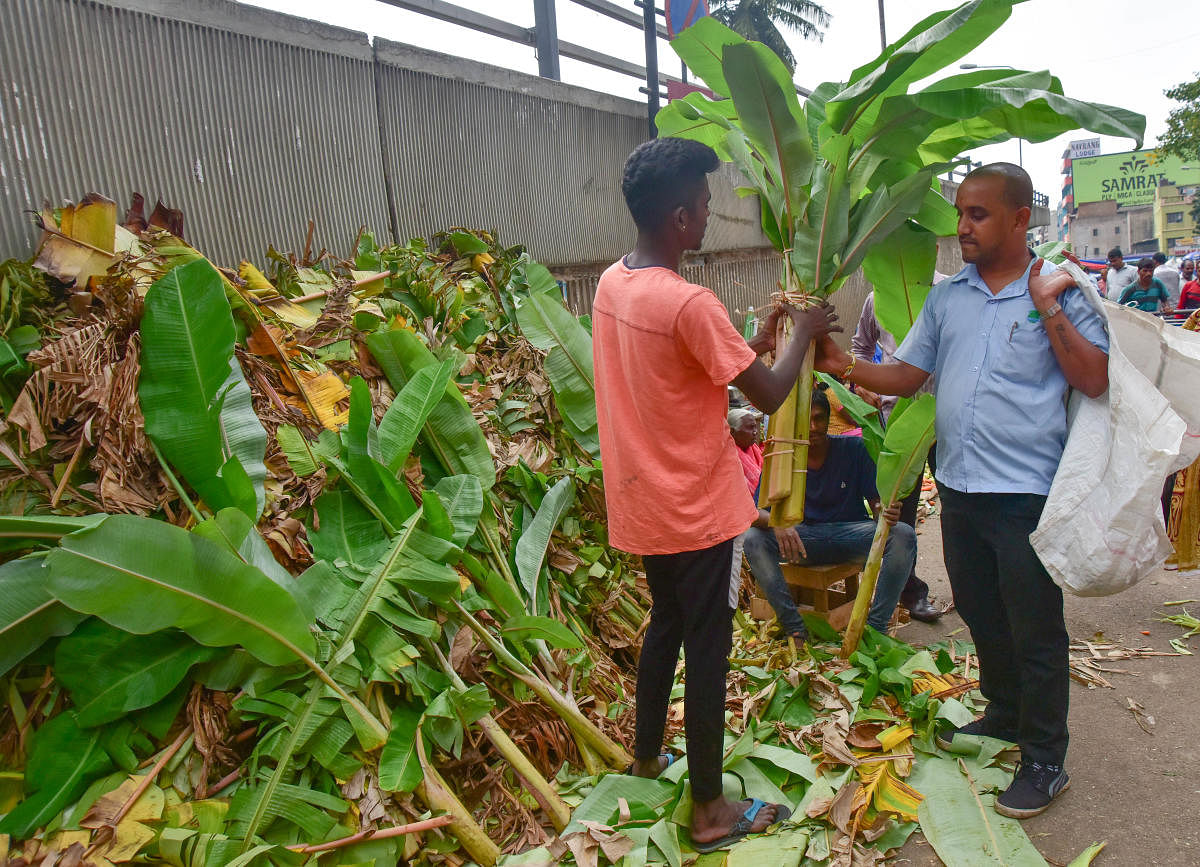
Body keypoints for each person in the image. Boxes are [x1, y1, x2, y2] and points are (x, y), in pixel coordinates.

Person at [815, 162, 1109, 819]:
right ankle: (1004, 713)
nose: (963, 226)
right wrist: (841, 364)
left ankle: (1044, 759)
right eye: (960, 212)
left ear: (1019, 218)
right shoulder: (949, 299)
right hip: (960, 487)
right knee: (980, 608)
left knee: (1036, 627)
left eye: (978, 213)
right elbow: (909, 374)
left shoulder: (1057, 289)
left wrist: (1050, 309)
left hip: (1026, 492)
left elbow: (1092, 378)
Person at [593, 137, 840, 851]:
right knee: (708, 651)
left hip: (643, 503)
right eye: (702, 205)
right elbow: (768, 389)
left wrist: (754, 339)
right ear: (677, 216)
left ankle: (645, 753)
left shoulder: (616, 282)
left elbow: (679, 377)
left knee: (664, 625)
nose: (707, 214)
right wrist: (803, 333)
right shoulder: (688, 300)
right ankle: (708, 812)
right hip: (696, 511)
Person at [742, 389, 915, 641]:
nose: (813, 427)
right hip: (802, 542)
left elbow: (877, 502)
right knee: (753, 538)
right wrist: (777, 523)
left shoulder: (854, 448)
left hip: (850, 536)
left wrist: (884, 511)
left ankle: (876, 628)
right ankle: (795, 627)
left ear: (828, 419)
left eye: (819, 418)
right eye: (806, 420)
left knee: (903, 534)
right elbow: (751, 511)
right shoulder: (782, 458)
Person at [850, 290, 944, 623]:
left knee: (962, 506)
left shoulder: (949, 290)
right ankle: (910, 593)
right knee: (899, 511)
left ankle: (975, 587)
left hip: (945, 417)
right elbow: (860, 346)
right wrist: (862, 385)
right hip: (898, 419)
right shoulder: (877, 297)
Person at [728, 407, 764, 495]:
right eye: (750, 428)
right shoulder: (729, 458)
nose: (755, 432)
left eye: (755, 427)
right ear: (732, 432)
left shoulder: (753, 448)